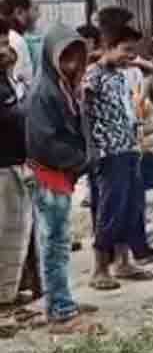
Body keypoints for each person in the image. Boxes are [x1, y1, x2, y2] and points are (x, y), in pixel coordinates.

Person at [25, 24, 95, 331]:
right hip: (49, 175)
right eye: (66, 58)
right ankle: (60, 310)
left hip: (58, 175)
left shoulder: (63, 87)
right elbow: (45, 142)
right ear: (52, 57)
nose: (72, 65)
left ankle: (62, 300)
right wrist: (81, 160)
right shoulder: (45, 93)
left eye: (77, 59)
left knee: (58, 243)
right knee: (55, 245)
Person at [83, 22, 153, 291]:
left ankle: (123, 262)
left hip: (128, 148)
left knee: (131, 208)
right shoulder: (93, 76)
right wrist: (90, 148)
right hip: (107, 152)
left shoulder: (120, 75)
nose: (130, 56)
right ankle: (99, 268)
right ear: (108, 47)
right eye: (126, 50)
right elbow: (82, 112)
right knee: (109, 209)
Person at [0, 18, 32, 312]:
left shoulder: (8, 80)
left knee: (14, 232)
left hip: (15, 162)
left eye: (5, 43)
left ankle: (8, 294)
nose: (6, 51)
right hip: (3, 165)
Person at [0, 0, 39, 97]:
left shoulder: (17, 39)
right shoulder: (15, 41)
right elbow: (19, 91)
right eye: (35, 9)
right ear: (19, 12)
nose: (38, 15)